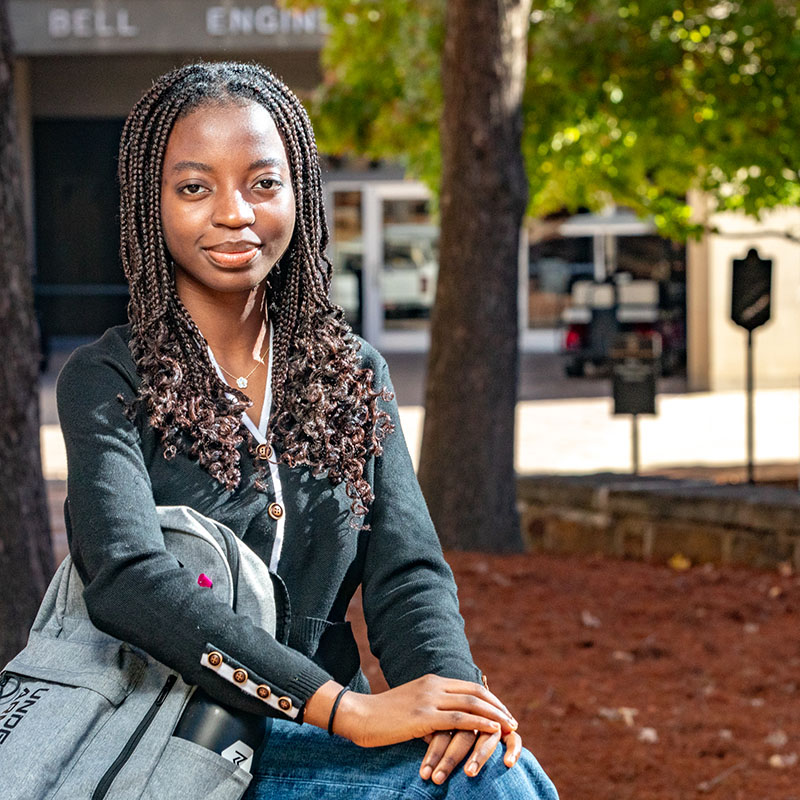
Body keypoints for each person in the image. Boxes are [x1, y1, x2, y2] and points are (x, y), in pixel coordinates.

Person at [56, 61, 559, 799]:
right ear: (150, 204)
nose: (236, 213)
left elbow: (406, 573)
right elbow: (127, 579)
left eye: (263, 183)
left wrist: (452, 701)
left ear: (300, 195)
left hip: (317, 744)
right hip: (170, 740)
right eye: (195, 187)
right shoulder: (109, 379)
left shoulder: (350, 373)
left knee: (491, 770)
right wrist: (340, 707)